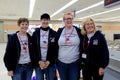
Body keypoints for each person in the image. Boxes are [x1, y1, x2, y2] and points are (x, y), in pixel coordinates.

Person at [56, 12, 82, 80]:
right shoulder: (59, 31)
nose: (68, 20)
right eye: (66, 19)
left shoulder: (79, 31)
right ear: (64, 21)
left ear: (73, 20)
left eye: (70, 18)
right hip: (61, 63)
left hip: (74, 63)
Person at [32, 13, 58, 80]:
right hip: (39, 64)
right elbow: (33, 49)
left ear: (49, 21)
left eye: (47, 20)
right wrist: (38, 61)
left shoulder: (53, 34)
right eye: (43, 20)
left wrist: (49, 61)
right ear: (41, 20)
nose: (45, 21)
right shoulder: (35, 34)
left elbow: (56, 49)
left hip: (50, 63)